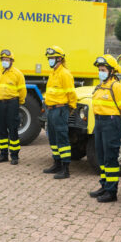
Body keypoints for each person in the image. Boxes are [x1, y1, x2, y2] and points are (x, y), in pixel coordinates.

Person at [88, 55, 121, 203]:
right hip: (100, 123)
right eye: (100, 70)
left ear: (112, 71)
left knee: (110, 158)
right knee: (101, 156)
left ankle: (112, 192)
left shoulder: (116, 87)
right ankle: (104, 186)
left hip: (112, 123)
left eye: (103, 69)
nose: (101, 72)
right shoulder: (100, 86)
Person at [42, 46, 77, 179]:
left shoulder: (65, 74)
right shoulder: (53, 73)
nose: (50, 60)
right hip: (51, 110)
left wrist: (70, 108)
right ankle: (56, 163)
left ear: (59, 59)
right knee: (53, 138)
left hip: (60, 109)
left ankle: (65, 169)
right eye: (49, 58)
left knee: (62, 138)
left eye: (52, 58)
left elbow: (71, 93)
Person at [0, 49, 26, 165]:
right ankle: (3, 154)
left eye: (7, 60)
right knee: (1, 129)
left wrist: (19, 102)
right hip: (1, 103)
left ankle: (15, 155)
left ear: (12, 61)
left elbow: (22, 90)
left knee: (13, 129)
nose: (5, 61)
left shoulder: (17, 74)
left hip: (12, 103)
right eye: (3, 60)